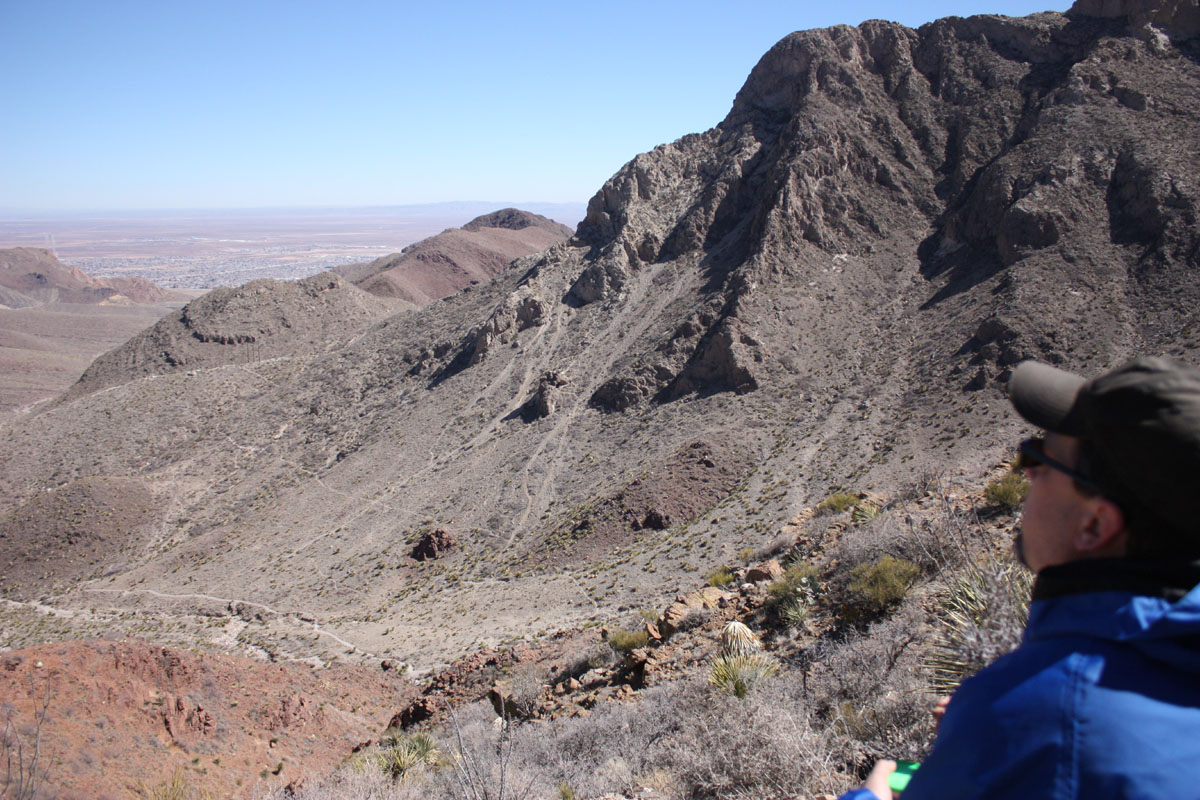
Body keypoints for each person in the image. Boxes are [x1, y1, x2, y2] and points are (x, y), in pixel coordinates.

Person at [840, 356, 1200, 799]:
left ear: (1094, 525)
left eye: (1038, 457)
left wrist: (1005, 730)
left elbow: (1074, 739)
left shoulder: (1054, 717)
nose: (1026, 471)